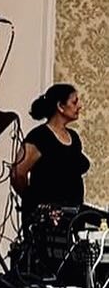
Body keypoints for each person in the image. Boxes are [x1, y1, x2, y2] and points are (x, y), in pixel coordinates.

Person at [11, 82, 89, 212]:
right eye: (74, 102)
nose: (79, 106)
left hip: (72, 212)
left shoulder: (74, 137)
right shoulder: (39, 136)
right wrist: (31, 200)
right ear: (60, 106)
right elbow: (18, 173)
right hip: (46, 215)